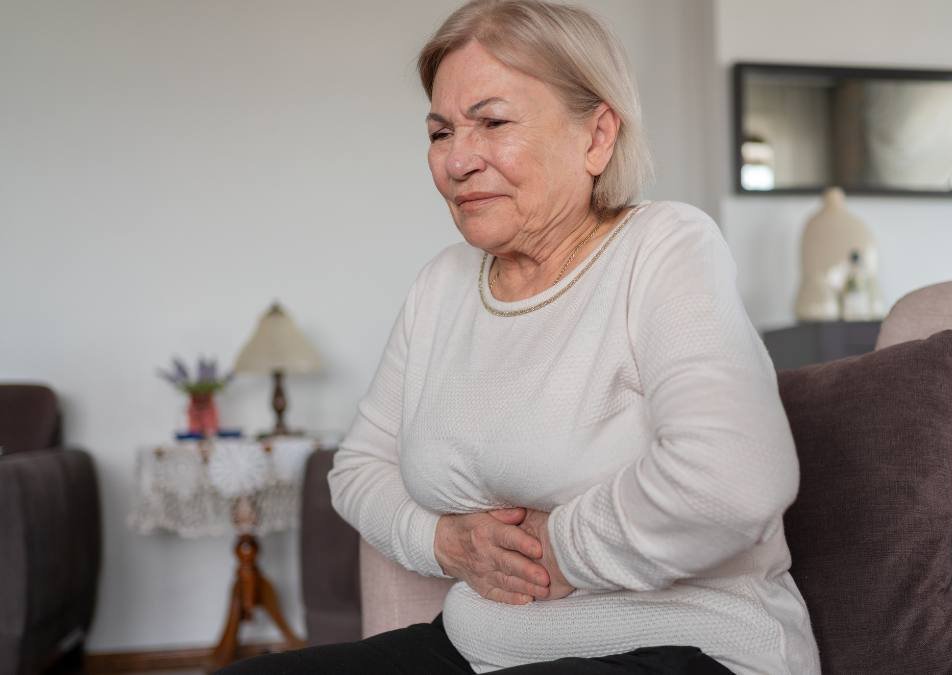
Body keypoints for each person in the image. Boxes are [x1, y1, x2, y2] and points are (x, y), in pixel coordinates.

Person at [218, 0, 820, 672]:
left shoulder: (664, 247)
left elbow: (735, 478)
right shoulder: (442, 285)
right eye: (441, 131)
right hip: (482, 646)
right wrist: (444, 540)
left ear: (596, 136)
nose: (457, 161)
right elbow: (358, 469)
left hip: (682, 643)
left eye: (493, 122)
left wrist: (562, 548)